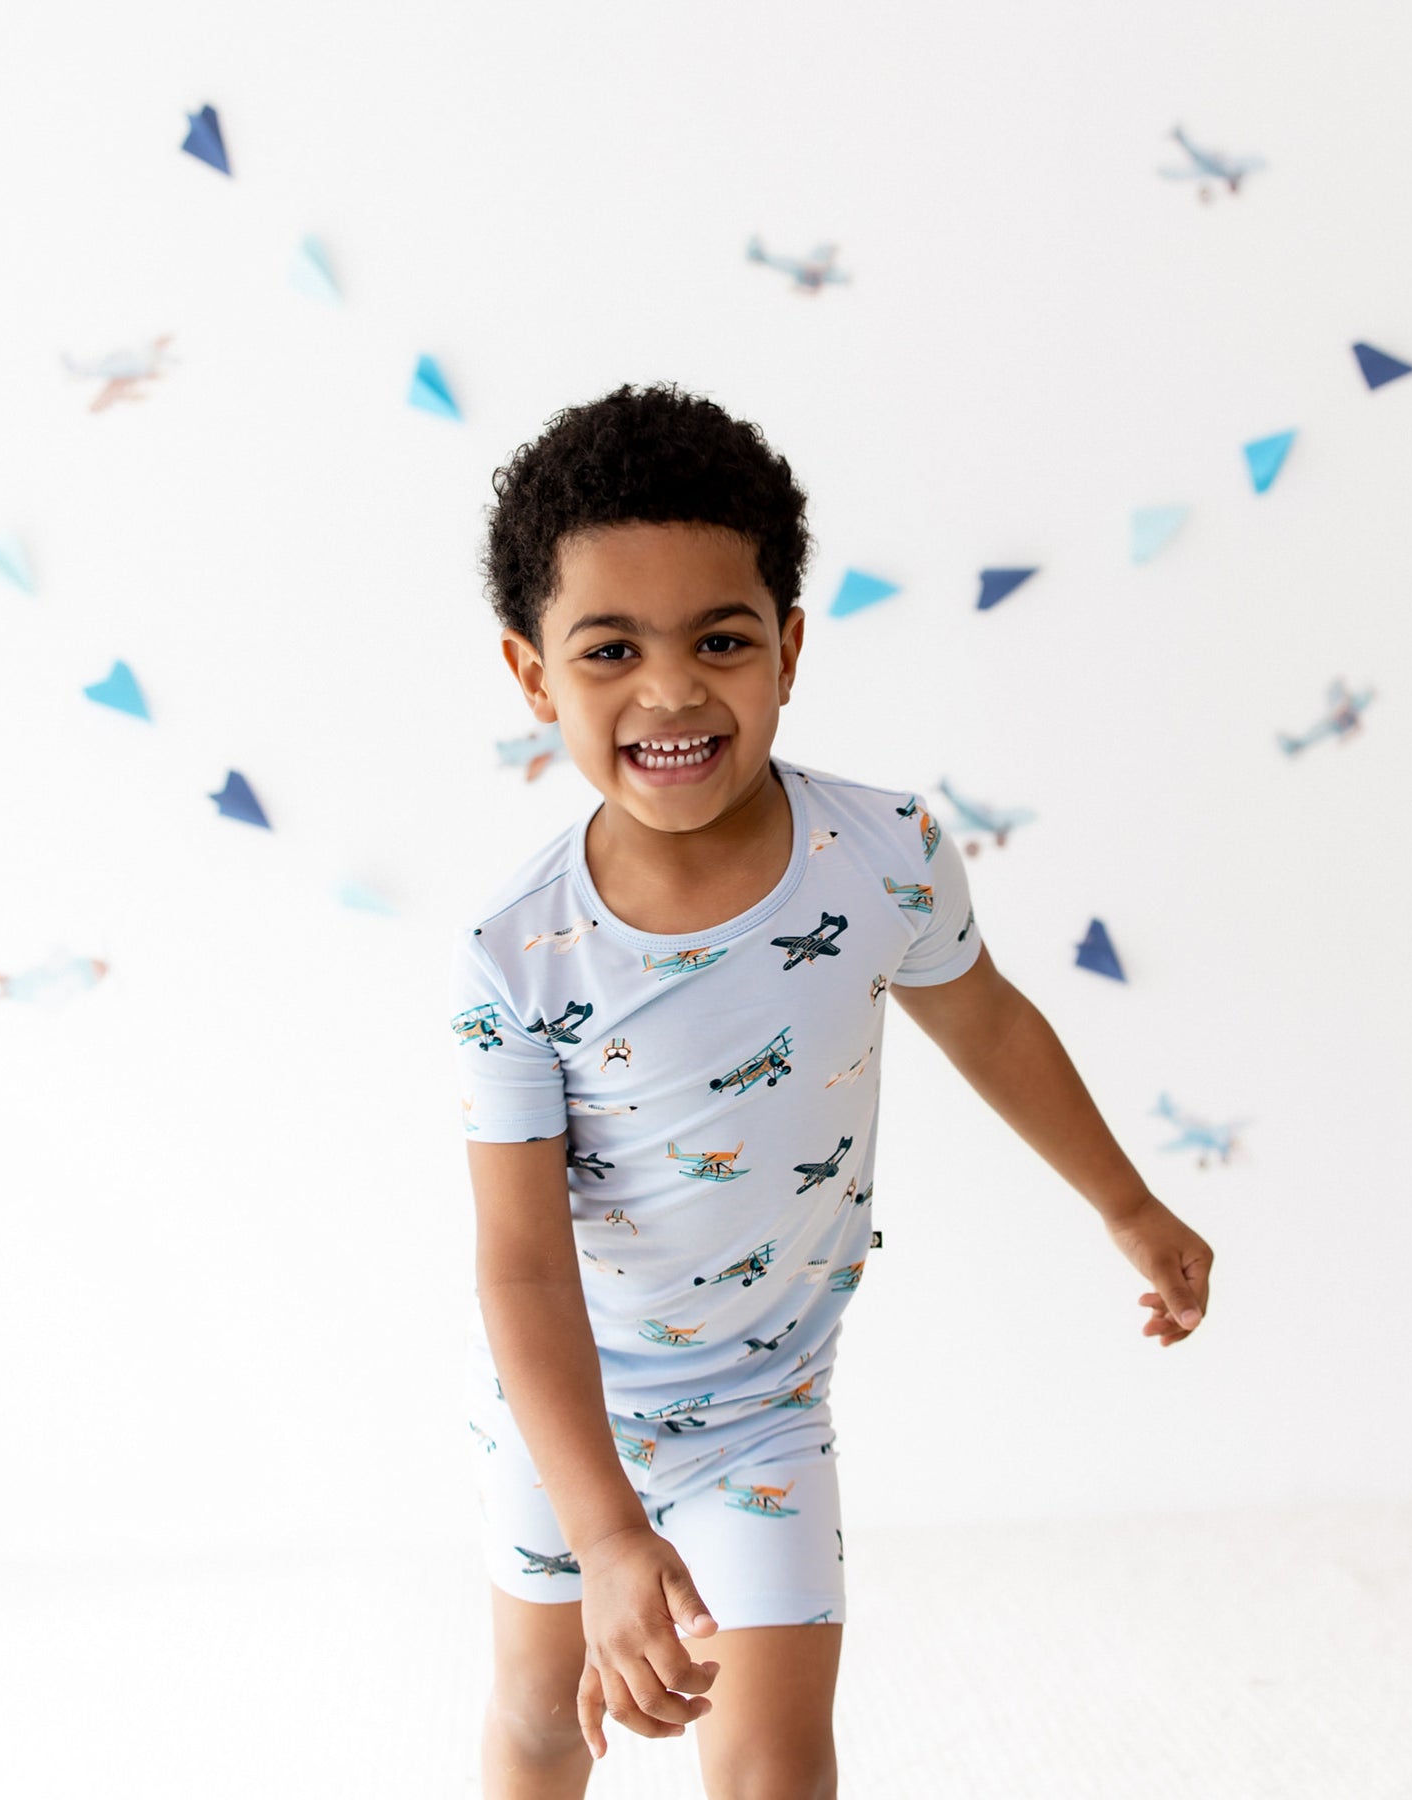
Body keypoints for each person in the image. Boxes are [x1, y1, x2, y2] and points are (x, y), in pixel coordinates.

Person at [448, 382, 1215, 1797]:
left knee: (775, 1762)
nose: (672, 690)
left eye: (719, 640)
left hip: (765, 1403)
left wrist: (1126, 1200)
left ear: (789, 648)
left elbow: (986, 1024)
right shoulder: (517, 954)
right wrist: (608, 1532)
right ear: (533, 675)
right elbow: (521, 1267)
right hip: (571, 1409)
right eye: (610, 649)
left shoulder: (884, 855)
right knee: (548, 1717)